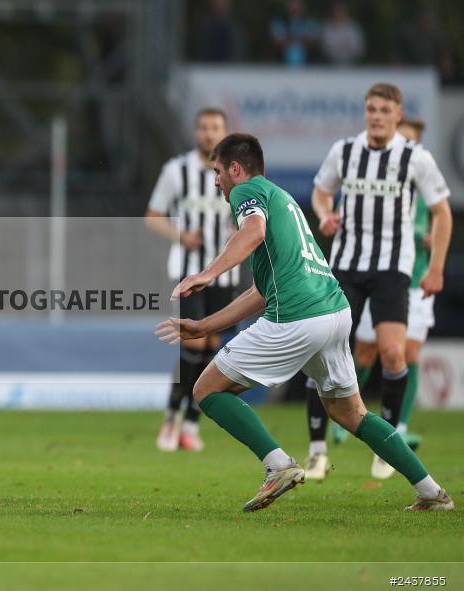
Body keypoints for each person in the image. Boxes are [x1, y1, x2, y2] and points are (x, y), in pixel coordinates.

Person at [156, 133, 454, 512]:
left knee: (206, 390)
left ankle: (278, 465)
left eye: (217, 171)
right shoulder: (284, 200)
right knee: (351, 413)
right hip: (334, 313)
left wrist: (207, 274)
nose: (216, 181)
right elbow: (262, 292)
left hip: (296, 318)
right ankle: (432, 492)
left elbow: (253, 232)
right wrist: (204, 325)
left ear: (235, 169)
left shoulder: (245, 193)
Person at [305, 83, 452, 481]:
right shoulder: (345, 151)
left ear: (397, 116)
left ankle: (387, 446)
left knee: (392, 352)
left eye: (385, 110)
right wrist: (325, 214)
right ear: (365, 112)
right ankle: (317, 450)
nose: (377, 116)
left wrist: (436, 266)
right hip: (348, 265)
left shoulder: (415, 158)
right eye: (371, 109)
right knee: (325, 349)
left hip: (393, 268)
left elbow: (442, 212)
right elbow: (321, 193)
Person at [329, 117, 435, 453]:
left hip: (415, 281)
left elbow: (434, 222)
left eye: (412, 143)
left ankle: (399, 426)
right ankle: (347, 413)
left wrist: (433, 249)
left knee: (407, 353)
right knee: (365, 351)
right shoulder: (367, 183)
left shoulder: (423, 187)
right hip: (375, 277)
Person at [146, 107, 237, 452]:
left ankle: (191, 424)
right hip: (188, 271)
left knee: (214, 348)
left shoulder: (235, 172)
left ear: (225, 131)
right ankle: (171, 417)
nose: (209, 133)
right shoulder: (176, 170)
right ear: (195, 131)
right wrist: (182, 237)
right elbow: (152, 216)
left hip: (225, 272)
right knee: (194, 344)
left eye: (216, 127)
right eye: (203, 127)